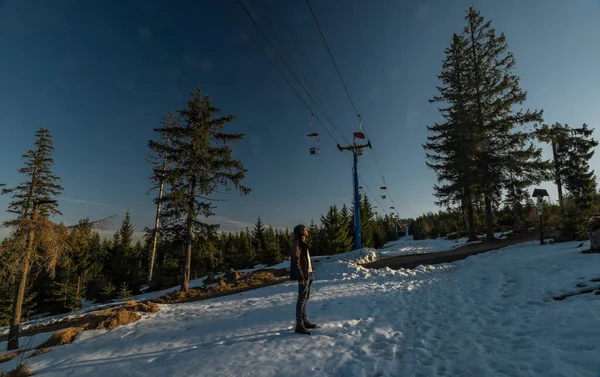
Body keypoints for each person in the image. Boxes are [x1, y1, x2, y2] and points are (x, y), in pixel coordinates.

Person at [290, 224, 318, 335]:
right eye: (305, 229)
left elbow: (306, 259)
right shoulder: (296, 243)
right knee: (301, 299)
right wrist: (301, 276)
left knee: (305, 298)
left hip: (309, 273)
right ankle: (299, 324)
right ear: (301, 231)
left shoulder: (302, 242)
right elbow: (296, 261)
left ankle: (305, 321)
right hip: (304, 276)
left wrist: (312, 269)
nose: (307, 231)